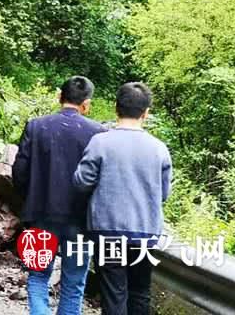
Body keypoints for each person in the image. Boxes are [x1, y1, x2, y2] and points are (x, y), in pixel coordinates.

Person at [73, 82, 172, 315]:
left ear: (116, 108)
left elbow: (81, 182)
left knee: (114, 294)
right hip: (145, 233)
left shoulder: (100, 142)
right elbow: (163, 194)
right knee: (140, 292)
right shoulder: (159, 148)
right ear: (146, 113)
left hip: (107, 231)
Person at [12, 75, 106, 315]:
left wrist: (30, 199)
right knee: (74, 284)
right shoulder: (98, 133)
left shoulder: (36, 125)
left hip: (40, 216)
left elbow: (19, 171)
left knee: (37, 277)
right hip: (81, 220)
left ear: (59, 97)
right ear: (86, 104)